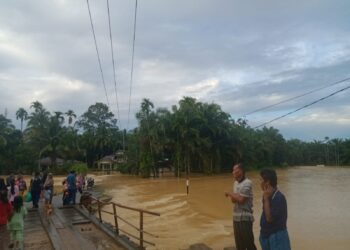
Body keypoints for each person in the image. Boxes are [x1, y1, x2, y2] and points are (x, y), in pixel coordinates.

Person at [225, 163, 257, 250]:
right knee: (239, 245)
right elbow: (234, 200)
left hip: (245, 218)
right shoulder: (235, 183)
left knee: (249, 243)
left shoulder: (248, 182)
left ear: (241, 172)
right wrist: (234, 195)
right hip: (236, 217)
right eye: (233, 170)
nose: (233, 172)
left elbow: (241, 200)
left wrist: (230, 193)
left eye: (235, 170)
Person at [259, 169, 291, 250]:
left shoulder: (279, 197)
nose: (260, 182)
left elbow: (269, 218)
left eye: (261, 180)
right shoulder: (268, 196)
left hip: (277, 238)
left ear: (267, 182)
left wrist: (266, 199)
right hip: (266, 236)